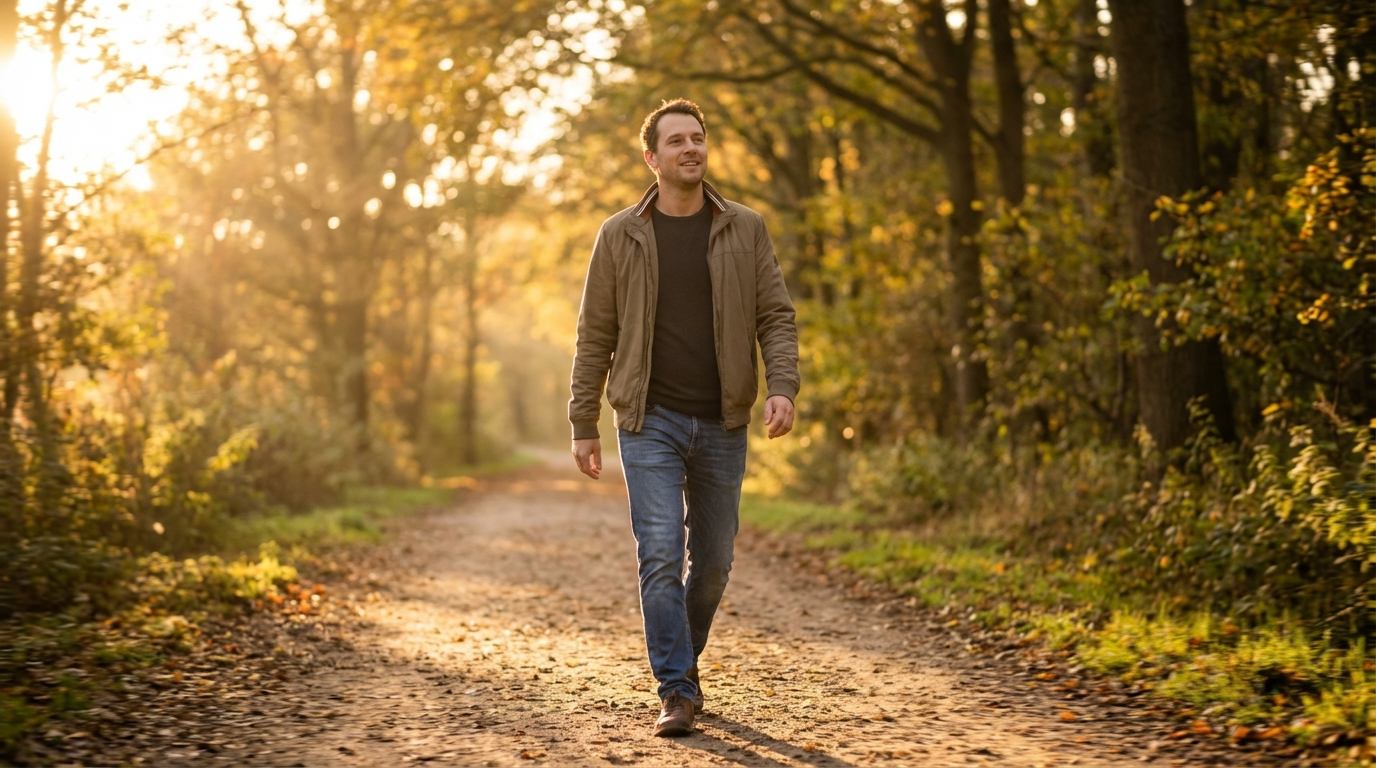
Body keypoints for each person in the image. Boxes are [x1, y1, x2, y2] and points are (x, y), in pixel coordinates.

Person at [568, 98, 800, 738]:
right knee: (662, 552)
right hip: (648, 420)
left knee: (716, 560)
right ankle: (676, 689)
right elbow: (595, 335)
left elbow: (775, 315)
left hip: (724, 419)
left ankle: (682, 665)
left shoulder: (745, 228)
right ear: (652, 158)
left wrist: (782, 385)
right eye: (676, 141)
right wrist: (582, 421)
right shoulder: (620, 235)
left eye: (698, 138)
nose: (690, 148)